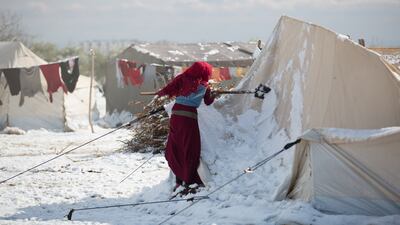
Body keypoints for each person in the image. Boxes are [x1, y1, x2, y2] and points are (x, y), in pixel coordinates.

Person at [156, 61, 216, 192]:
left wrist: (160, 92)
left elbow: (168, 90)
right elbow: (208, 101)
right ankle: (189, 180)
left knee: (176, 146)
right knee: (190, 149)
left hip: (176, 115)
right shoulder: (205, 85)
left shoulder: (182, 78)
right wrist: (213, 94)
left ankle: (179, 180)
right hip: (189, 117)